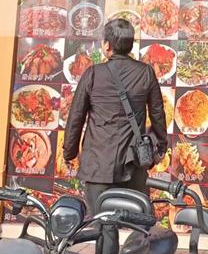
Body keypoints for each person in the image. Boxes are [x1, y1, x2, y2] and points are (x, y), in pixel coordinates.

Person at [63, 18, 168, 215]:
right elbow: (158, 115)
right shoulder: (146, 72)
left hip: (97, 166)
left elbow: (76, 117)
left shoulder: (93, 74)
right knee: (138, 223)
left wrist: (69, 152)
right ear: (130, 46)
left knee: (102, 222)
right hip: (133, 164)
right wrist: (160, 147)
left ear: (107, 45)